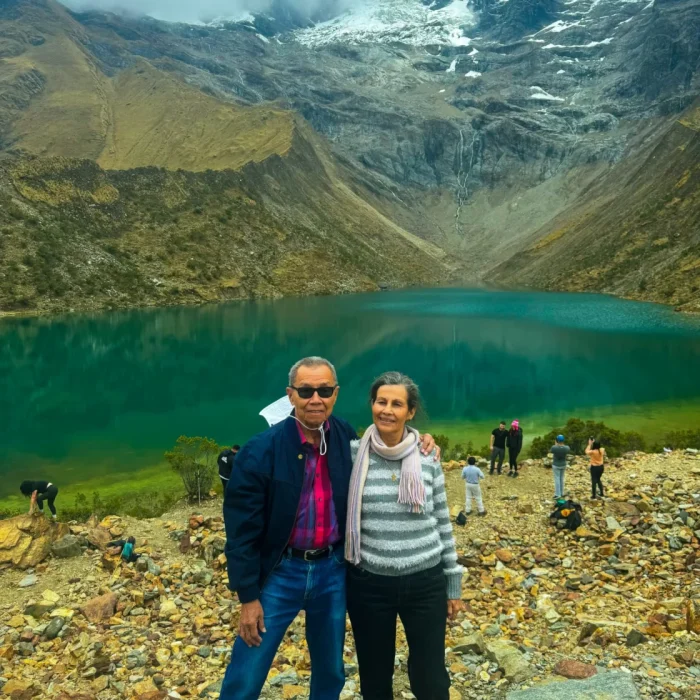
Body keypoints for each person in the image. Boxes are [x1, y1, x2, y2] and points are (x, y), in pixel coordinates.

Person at [220, 357, 437, 700]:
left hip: (332, 570)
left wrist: (421, 441)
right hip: (280, 571)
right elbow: (241, 531)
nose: (315, 399)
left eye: (324, 390)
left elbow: (388, 445)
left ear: (335, 393)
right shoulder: (261, 450)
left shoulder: (346, 438)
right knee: (249, 666)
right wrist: (248, 597)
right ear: (290, 395)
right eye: (306, 391)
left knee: (330, 669)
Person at [345, 372, 464, 700]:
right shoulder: (353, 455)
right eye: (381, 401)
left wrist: (453, 584)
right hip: (369, 584)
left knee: (431, 677)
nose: (387, 410)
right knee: (374, 675)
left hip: (425, 583)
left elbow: (442, 521)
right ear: (372, 404)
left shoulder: (428, 457)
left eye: (396, 404)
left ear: (410, 412)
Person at [550, 435, 571, 499]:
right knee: (561, 478)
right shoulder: (567, 448)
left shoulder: (554, 447)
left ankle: (557, 494)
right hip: (563, 464)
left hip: (556, 465)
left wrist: (556, 444)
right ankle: (561, 493)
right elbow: (565, 447)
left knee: (557, 479)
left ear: (557, 441)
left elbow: (552, 450)